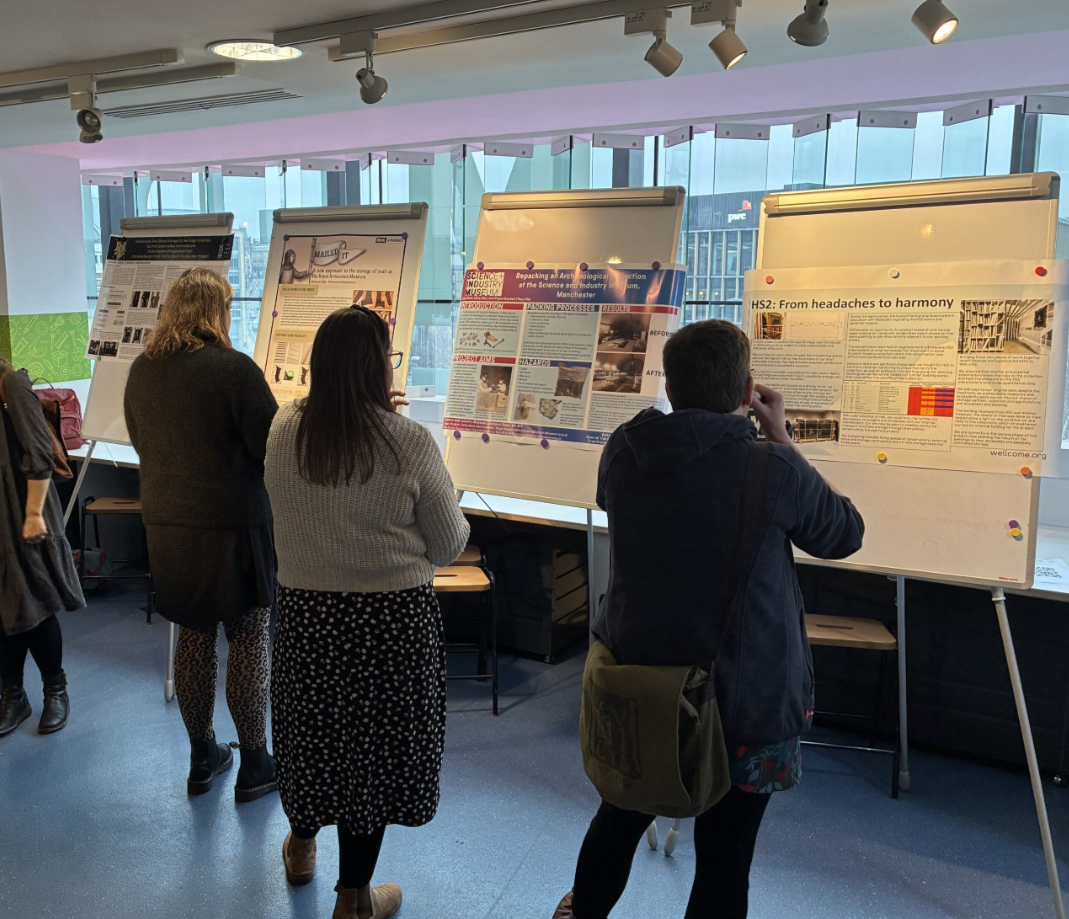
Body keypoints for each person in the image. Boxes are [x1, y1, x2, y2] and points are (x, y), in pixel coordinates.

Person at [554, 319, 865, 919]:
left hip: (638, 682)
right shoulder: (772, 468)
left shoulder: (624, 449)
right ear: (748, 391)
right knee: (726, 856)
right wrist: (784, 439)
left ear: (669, 385)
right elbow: (844, 534)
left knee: (618, 817)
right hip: (743, 700)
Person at [265, 306, 469, 919]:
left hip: (306, 621)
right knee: (372, 765)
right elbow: (449, 543)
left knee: (310, 740)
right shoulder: (407, 442)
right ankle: (353, 899)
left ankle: (301, 845)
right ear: (379, 366)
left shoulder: (284, 427)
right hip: (388, 628)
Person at [124, 267, 279, 801]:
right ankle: (256, 762)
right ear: (218, 312)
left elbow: (143, 443)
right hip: (233, 529)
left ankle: (202, 756)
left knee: (193, 638)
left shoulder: (142, 372)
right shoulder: (233, 370)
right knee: (249, 637)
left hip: (168, 528)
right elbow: (271, 450)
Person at [0, 361, 84, 738]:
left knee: (35, 599)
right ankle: (13, 695)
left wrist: (33, 514)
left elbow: (38, 453)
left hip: (21, 508)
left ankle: (56, 690)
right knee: (5, 607)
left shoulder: (11, 385)